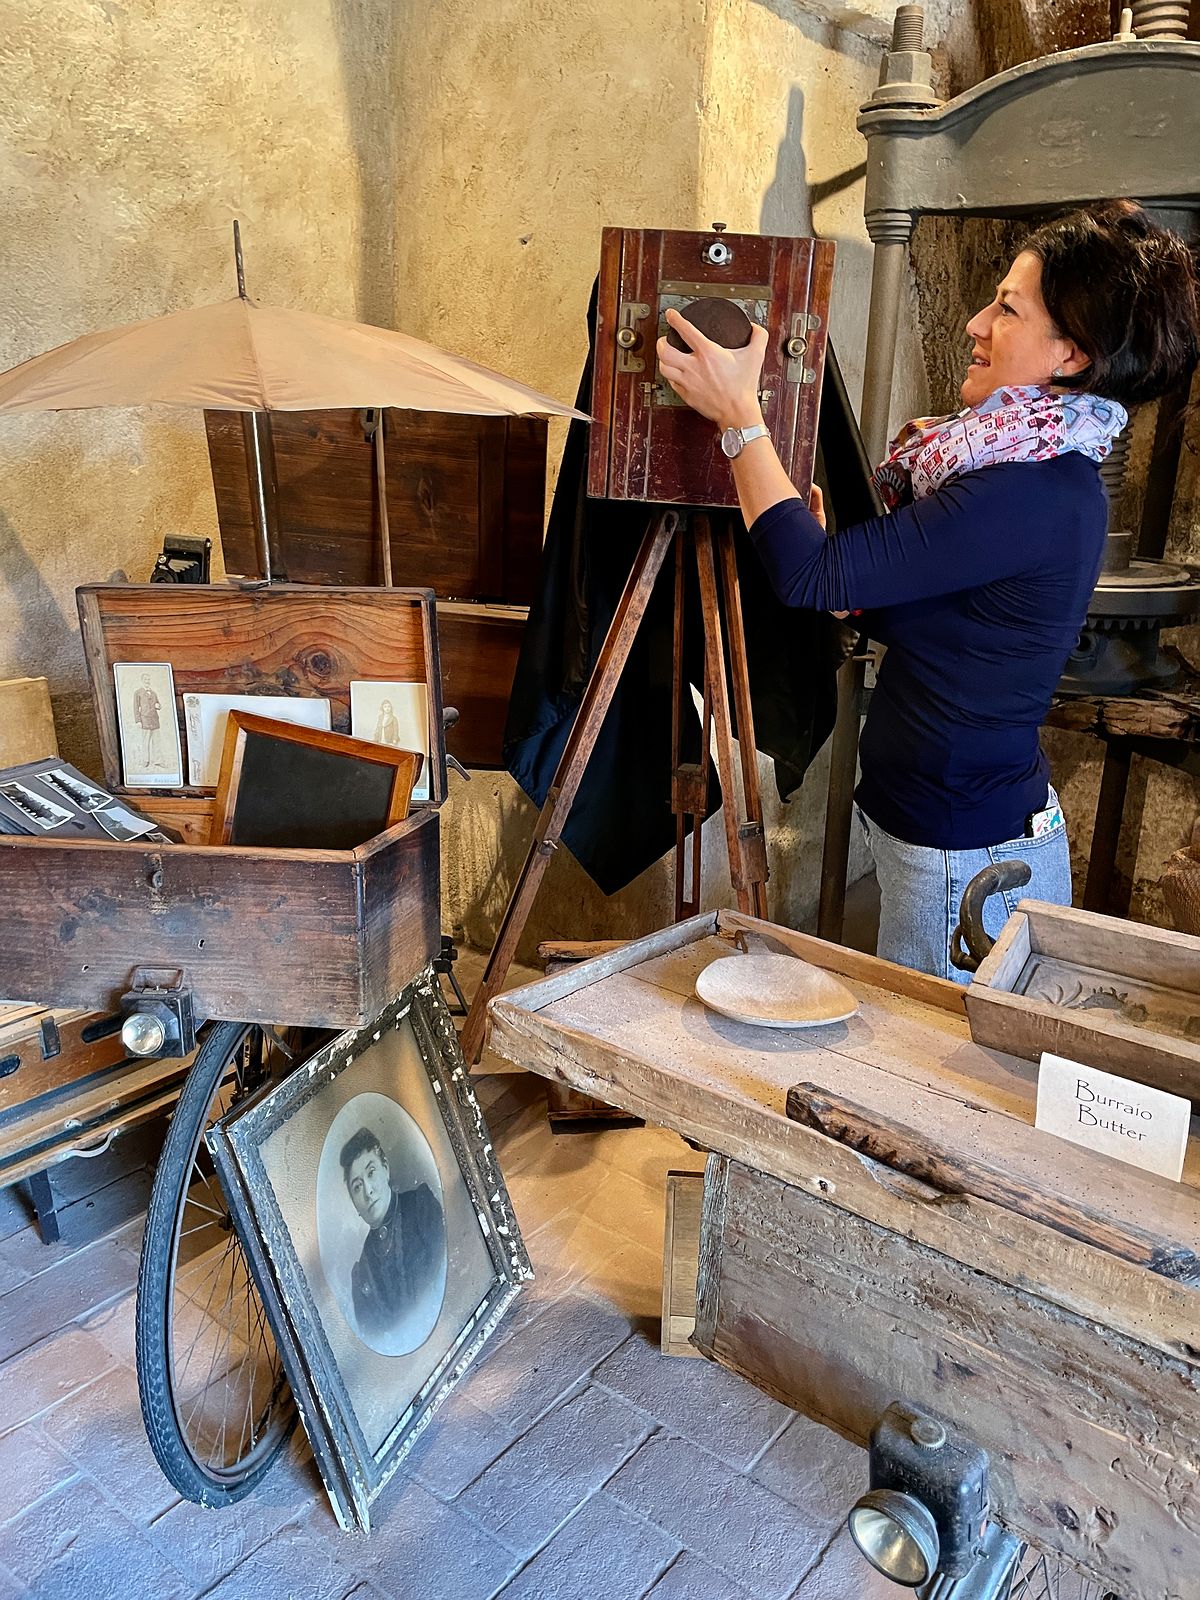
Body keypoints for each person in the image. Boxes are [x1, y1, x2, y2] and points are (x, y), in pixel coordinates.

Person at [656, 201, 1199, 981]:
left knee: (938, 1087)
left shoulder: (1033, 490)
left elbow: (810, 575)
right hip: (952, 841)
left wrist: (741, 414)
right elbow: (946, 623)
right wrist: (853, 584)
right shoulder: (1030, 472)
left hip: (964, 861)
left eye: (1008, 309)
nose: (977, 323)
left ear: (1072, 354)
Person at [340, 1127, 445, 1342]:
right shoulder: (363, 1271)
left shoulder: (421, 1207)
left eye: (371, 1173)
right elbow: (374, 1334)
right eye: (357, 1187)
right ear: (353, 1201)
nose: (368, 1191)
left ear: (385, 1168)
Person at [133, 671, 162, 769]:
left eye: (148, 679)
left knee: (157, 741)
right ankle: (145, 761)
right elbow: (135, 708)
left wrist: (158, 706)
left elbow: (158, 704)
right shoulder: (138, 693)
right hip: (145, 720)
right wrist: (138, 721)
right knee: (145, 742)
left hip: (155, 720)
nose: (147, 681)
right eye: (145, 679)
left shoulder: (154, 693)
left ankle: (158, 761)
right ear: (142, 680)